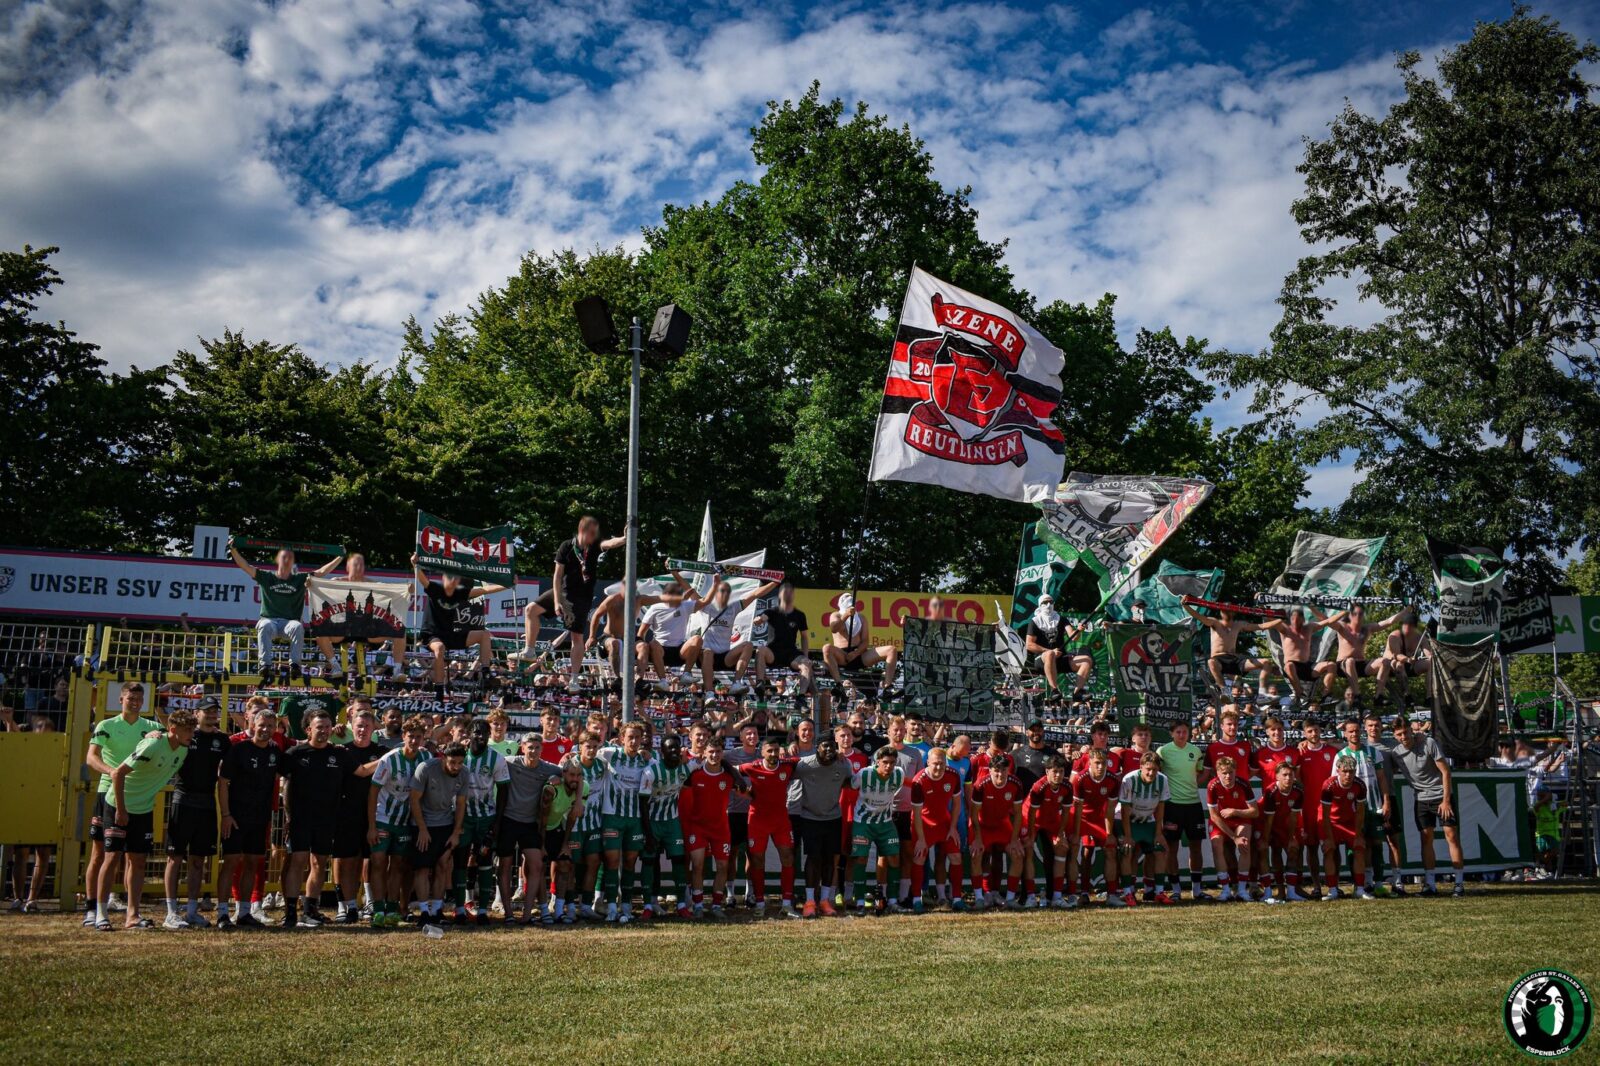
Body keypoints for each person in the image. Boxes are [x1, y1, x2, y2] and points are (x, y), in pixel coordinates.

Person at [278, 708, 379, 929]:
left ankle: (309, 910)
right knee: (298, 861)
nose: (324, 731)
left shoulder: (340, 753)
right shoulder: (295, 754)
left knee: (319, 863)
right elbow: (284, 785)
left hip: (327, 819)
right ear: (308, 729)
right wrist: (288, 816)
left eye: (327, 727)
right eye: (319, 727)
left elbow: (362, 772)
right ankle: (290, 913)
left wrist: (389, 758)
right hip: (301, 819)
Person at [102, 710, 197, 929]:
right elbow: (117, 774)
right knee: (111, 859)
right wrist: (121, 809)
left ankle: (132, 916)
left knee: (138, 861)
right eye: (187, 730)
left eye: (192, 730)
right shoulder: (152, 745)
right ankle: (99, 914)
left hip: (143, 809)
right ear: (173, 730)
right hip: (118, 805)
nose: (191, 734)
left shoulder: (182, 750)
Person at [84, 684, 159, 929]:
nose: (134, 702)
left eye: (139, 699)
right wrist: (112, 772)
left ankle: (132, 913)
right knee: (102, 854)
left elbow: (171, 736)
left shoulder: (150, 726)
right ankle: (92, 908)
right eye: (130, 698)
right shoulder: (106, 725)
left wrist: (157, 735)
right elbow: (91, 757)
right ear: (121, 699)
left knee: (134, 856)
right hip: (107, 792)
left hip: (136, 795)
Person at [523, 516, 628, 689]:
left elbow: (609, 543)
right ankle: (530, 649)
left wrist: (624, 539)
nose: (594, 536)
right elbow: (557, 576)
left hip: (582, 597)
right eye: (592, 533)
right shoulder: (566, 546)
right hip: (564, 592)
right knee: (531, 609)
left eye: (596, 534)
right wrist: (557, 601)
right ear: (582, 530)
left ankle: (573, 679)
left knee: (576, 637)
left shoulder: (594, 546)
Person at [155, 697, 227, 929]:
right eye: (208, 711)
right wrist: (152, 733)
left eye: (215, 711)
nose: (212, 715)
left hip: (207, 803)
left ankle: (192, 911)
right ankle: (171, 912)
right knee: (174, 858)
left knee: (199, 859)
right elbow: (165, 732)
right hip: (183, 799)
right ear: (197, 714)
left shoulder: (221, 739)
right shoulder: (187, 735)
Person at [228, 538, 343, 681]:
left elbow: (321, 572)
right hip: (270, 620)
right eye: (284, 558)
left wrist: (340, 556)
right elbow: (244, 566)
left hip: (289, 622)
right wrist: (233, 550)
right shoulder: (266, 576)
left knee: (297, 626)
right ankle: (265, 665)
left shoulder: (300, 578)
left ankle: (295, 665)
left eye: (290, 558)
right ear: (278, 561)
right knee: (264, 625)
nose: (287, 561)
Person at [366, 714, 432, 928]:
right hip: (383, 818)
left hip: (406, 821)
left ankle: (392, 910)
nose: (414, 741)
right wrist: (372, 826)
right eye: (410, 736)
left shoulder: (426, 758)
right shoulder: (390, 758)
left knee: (398, 865)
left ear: (423, 738)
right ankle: (377, 910)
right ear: (403, 736)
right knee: (377, 862)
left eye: (418, 737)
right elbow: (373, 791)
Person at [1390, 716, 1466, 897]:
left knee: (1452, 836)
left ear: (1411, 730)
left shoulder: (1428, 743)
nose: (1403, 736)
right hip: (1421, 800)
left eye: (1405, 732)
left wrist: (1446, 800)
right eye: (1399, 734)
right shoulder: (1396, 753)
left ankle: (1459, 883)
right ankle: (1430, 884)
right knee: (1426, 838)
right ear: (1394, 735)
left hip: (1441, 796)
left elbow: (1446, 771)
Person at [676, 571, 780, 695]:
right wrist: (674, 573)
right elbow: (688, 588)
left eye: (727, 591)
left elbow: (755, 594)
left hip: (725, 656)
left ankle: (736, 683)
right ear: (715, 593)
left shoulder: (734, 607)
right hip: (707, 656)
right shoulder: (705, 605)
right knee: (708, 652)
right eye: (722, 591)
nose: (725, 594)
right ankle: (709, 694)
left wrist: (775, 582)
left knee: (749, 645)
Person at [412, 553, 506, 689]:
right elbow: (422, 579)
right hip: (432, 635)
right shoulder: (435, 588)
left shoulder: (460, 593)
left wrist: (507, 584)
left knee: (484, 634)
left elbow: (485, 589)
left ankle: (485, 673)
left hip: (450, 634)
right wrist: (415, 564)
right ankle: (439, 687)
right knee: (439, 648)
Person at [311, 552, 408, 678]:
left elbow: (393, 592)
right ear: (347, 567)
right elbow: (318, 588)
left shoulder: (372, 584)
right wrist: (311, 584)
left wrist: (407, 590)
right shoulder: (336, 582)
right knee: (319, 631)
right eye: (355, 564)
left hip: (367, 631)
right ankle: (335, 666)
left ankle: (397, 670)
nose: (359, 567)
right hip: (343, 630)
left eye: (361, 565)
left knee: (400, 631)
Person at [498, 734, 561, 924]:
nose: (533, 751)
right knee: (505, 867)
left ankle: (526, 915)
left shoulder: (548, 768)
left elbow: (567, 771)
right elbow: (491, 759)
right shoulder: (510, 762)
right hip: (508, 820)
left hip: (530, 824)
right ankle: (508, 913)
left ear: (541, 749)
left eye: (537, 747)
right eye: (530, 747)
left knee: (537, 865)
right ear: (522, 748)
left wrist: (557, 779)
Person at [330, 700, 384, 922]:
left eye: (367, 726)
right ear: (351, 725)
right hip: (346, 813)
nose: (362, 730)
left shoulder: (382, 751)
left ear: (373, 729)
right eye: (359, 726)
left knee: (373, 861)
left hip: (375, 815)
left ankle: (373, 905)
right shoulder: (342, 751)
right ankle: (348, 906)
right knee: (347, 862)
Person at [681, 742, 747, 917]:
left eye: (718, 752)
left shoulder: (729, 777)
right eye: (711, 751)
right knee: (697, 866)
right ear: (704, 753)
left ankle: (717, 905)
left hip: (720, 828)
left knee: (722, 866)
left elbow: (744, 791)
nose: (714, 755)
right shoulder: (694, 774)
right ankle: (698, 905)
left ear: (722, 754)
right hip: (698, 827)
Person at [454, 719, 511, 924]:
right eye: (477, 732)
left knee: (485, 860)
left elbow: (504, 790)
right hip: (463, 817)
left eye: (484, 733)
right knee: (461, 860)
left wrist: (497, 822)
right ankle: (460, 908)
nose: (481, 736)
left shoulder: (496, 759)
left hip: (486, 817)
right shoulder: (459, 756)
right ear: (468, 734)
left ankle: (484, 910)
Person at [597, 722, 653, 923]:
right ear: (622, 738)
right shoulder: (610, 754)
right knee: (612, 862)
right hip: (612, 816)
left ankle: (627, 906)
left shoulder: (646, 761)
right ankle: (612, 906)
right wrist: (568, 756)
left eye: (637, 737)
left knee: (630, 862)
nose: (634, 741)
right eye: (630, 737)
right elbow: (586, 753)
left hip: (635, 819)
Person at [409, 743, 469, 926]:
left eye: (460, 762)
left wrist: (456, 832)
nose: (456, 767)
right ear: (443, 758)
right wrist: (422, 829)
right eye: (453, 762)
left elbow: (460, 804)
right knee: (423, 868)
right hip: (423, 823)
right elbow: (414, 800)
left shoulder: (464, 773)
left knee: (442, 866)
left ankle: (437, 910)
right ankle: (424, 912)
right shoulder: (426, 768)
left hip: (445, 823)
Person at [742, 736, 801, 917]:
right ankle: (760, 903)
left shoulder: (787, 766)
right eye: (769, 750)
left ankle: (787, 904)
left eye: (776, 750)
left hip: (780, 821)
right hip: (757, 821)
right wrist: (743, 791)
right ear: (762, 752)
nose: (773, 754)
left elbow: (805, 759)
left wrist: (791, 744)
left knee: (788, 857)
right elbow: (731, 770)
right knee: (757, 860)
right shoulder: (752, 767)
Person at [1333, 717, 1392, 893]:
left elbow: (1382, 778)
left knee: (1376, 843)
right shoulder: (1340, 756)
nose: (1354, 734)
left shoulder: (1373, 752)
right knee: (1356, 845)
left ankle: (1379, 883)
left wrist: (1386, 800)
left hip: (1374, 806)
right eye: (1350, 731)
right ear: (1345, 734)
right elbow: (1335, 783)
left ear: (1361, 732)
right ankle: (1361, 882)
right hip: (1351, 809)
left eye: (1357, 731)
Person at [638, 733, 692, 919]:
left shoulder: (685, 769)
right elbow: (642, 803)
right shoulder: (651, 772)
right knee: (649, 861)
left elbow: (713, 761)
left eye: (676, 747)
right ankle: (647, 905)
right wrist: (648, 832)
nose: (674, 751)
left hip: (672, 822)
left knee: (678, 859)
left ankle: (682, 904)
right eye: (670, 748)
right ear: (662, 751)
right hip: (652, 822)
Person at [1155, 720, 1208, 901]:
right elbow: (1157, 773)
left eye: (1184, 732)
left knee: (1196, 847)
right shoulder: (1163, 751)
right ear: (1171, 733)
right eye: (1178, 732)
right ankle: (1176, 889)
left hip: (1193, 804)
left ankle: (1197, 890)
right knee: (1171, 848)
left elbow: (1200, 773)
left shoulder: (1195, 751)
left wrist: (1190, 785)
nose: (1181, 735)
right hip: (1172, 805)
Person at [849, 746, 906, 913]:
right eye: (885, 762)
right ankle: (860, 901)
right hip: (863, 822)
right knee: (860, 859)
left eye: (892, 763)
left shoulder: (899, 774)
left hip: (886, 822)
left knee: (894, 858)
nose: (889, 766)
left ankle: (893, 901)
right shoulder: (864, 774)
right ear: (877, 762)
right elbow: (851, 786)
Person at [908, 746, 965, 912]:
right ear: (928, 763)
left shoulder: (953, 775)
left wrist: (953, 827)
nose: (939, 767)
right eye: (935, 764)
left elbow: (956, 803)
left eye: (942, 763)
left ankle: (956, 899)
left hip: (944, 822)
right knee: (919, 858)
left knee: (956, 857)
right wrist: (921, 838)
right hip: (923, 824)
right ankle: (917, 900)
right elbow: (916, 813)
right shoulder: (919, 781)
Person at [1183, 601, 1283, 694]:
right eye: (1224, 610)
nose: (1226, 613)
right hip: (1219, 660)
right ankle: (1225, 692)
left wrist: (1280, 619)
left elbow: (1261, 626)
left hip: (1235, 660)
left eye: (1229, 610)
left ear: (1233, 612)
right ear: (1221, 612)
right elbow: (1198, 616)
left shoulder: (1238, 624)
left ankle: (1262, 693)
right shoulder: (1214, 622)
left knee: (1266, 662)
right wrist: (1185, 605)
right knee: (1211, 662)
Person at [1321, 604, 1405, 705]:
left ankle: (1379, 696)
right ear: (1350, 615)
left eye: (1360, 614)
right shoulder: (1342, 626)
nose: (1358, 616)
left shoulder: (1367, 628)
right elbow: (1325, 621)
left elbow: (1389, 621)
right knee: (1350, 661)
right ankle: (1357, 696)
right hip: (1343, 666)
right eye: (1355, 614)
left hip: (1361, 666)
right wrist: (1312, 606)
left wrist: (1408, 609)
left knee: (1385, 661)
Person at [1073, 748, 1127, 907]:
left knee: (1111, 849)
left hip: (1101, 818)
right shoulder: (1080, 779)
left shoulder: (1112, 780)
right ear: (1089, 762)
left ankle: (1111, 894)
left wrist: (1110, 833)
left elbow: (1110, 809)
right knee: (1086, 852)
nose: (1100, 766)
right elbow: (1077, 809)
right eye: (1097, 763)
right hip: (1083, 818)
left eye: (1103, 763)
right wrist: (1076, 833)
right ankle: (1083, 893)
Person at [1022, 755, 1077, 909]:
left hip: (1052, 820)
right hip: (1031, 819)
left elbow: (1066, 812)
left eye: (1061, 771)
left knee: (1062, 848)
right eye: (1055, 771)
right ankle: (1031, 896)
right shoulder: (1039, 787)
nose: (1058, 775)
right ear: (1047, 771)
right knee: (1028, 850)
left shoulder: (1067, 786)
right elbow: (1032, 814)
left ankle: (1057, 897)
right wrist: (1031, 835)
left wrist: (1060, 834)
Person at [1119, 752, 1171, 905]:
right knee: (1128, 850)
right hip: (1130, 820)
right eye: (1148, 769)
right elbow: (1124, 810)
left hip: (1148, 820)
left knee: (1160, 849)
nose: (1151, 773)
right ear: (1141, 767)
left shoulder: (1162, 780)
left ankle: (1159, 892)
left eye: (1154, 769)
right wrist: (1128, 836)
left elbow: (1161, 808)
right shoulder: (1129, 779)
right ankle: (1128, 893)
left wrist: (1158, 833)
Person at [539, 761, 589, 923]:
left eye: (578, 775)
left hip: (556, 827)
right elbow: (542, 819)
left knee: (565, 863)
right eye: (571, 775)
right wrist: (541, 846)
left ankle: (559, 911)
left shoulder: (584, 788)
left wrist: (565, 844)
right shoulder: (551, 789)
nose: (575, 778)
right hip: (537, 828)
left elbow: (572, 818)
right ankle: (543, 910)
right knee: (537, 866)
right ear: (564, 774)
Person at [1205, 756, 1259, 902]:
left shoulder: (1243, 784)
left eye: (1231, 772)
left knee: (1245, 844)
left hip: (1240, 818)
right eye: (1224, 773)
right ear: (1217, 773)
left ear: (1235, 771)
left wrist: (1235, 811)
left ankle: (1242, 890)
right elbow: (1214, 816)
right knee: (1216, 845)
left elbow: (1255, 811)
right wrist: (1234, 837)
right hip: (1221, 821)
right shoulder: (1212, 786)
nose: (1228, 776)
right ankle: (1225, 890)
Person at [1320, 755, 1374, 900]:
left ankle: (1360, 889)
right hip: (1331, 821)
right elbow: (1324, 815)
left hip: (1349, 821)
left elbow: (1360, 811)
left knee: (1359, 848)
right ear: (1338, 771)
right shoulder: (1329, 785)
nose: (1348, 775)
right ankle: (1332, 890)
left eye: (1351, 771)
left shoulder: (1360, 785)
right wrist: (1329, 838)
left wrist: (1358, 834)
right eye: (1345, 771)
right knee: (1329, 850)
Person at [822, 594, 899, 693]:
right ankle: (839, 685)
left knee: (891, 650)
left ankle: (887, 687)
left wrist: (856, 653)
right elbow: (834, 628)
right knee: (826, 648)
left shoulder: (861, 618)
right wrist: (846, 615)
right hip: (842, 655)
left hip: (859, 655)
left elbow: (865, 641)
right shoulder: (835, 615)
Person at [756, 582, 815, 703]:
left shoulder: (800, 615)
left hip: (791, 653)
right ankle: (760, 684)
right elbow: (763, 618)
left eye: (790, 591)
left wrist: (805, 656)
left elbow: (804, 637)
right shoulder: (772, 611)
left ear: (794, 594)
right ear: (780, 594)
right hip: (773, 652)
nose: (788, 593)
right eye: (785, 591)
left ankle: (801, 696)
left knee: (806, 663)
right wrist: (759, 620)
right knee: (760, 650)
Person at [1025, 596, 1094, 698]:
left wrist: (1079, 630)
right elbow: (1029, 645)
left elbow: (1073, 637)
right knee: (1050, 654)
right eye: (1045, 602)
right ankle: (1054, 690)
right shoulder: (1035, 622)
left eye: (1051, 602)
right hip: (1042, 660)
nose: (1048, 605)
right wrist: (1050, 651)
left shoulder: (1061, 619)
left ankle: (1078, 692)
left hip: (1061, 658)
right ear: (1040, 605)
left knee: (1086, 660)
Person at [1380, 612, 1430, 710]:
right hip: (1392, 666)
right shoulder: (1395, 635)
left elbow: (1429, 654)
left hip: (1411, 666)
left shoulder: (1420, 637)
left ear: (1415, 626)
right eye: (1405, 624)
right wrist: (1407, 659)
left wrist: (1430, 657)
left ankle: (1429, 697)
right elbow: (1396, 655)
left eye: (1410, 625)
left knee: (1431, 663)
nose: (1407, 628)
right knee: (1399, 664)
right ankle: (1407, 696)